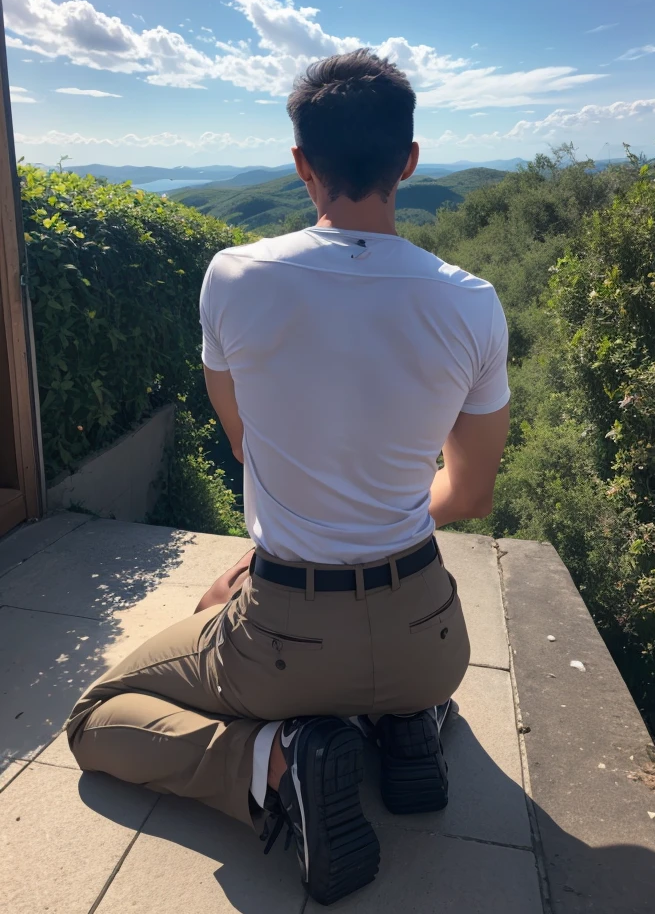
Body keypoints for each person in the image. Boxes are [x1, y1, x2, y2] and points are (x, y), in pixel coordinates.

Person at [66, 49, 510, 906]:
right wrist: (379, 519)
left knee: (98, 716)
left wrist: (275, 550)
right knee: (393, 665)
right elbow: (474, 491)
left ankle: (276, 761)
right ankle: (408, 722)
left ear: (301, 163)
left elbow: (245, 445)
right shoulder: (472, 301)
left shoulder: (233, 277)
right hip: (430, 639)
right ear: (410, 161)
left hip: (284, 640)